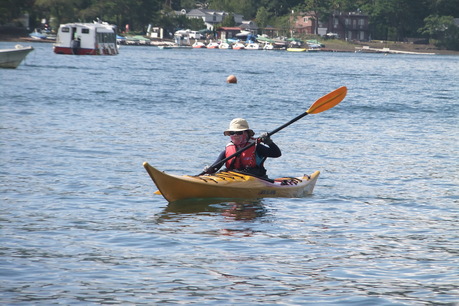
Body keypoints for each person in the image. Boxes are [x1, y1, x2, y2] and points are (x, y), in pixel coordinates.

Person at [204, 118, 281, 177]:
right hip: (232, 177)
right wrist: (210, 169)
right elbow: (216, 166)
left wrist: (269, 142)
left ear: (247, 133)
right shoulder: (228, 149)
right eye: (232, 133)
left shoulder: (256, 147)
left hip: (255, 178)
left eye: (239, 132)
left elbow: (276, 154)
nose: (235, 135)